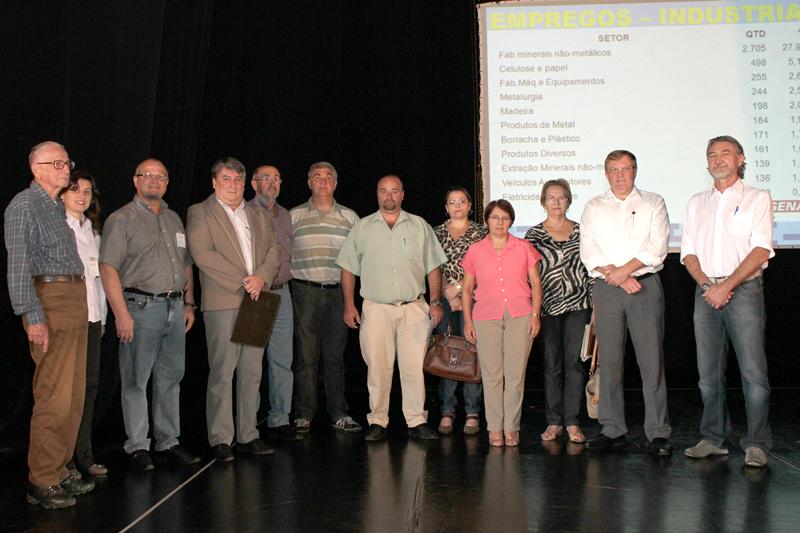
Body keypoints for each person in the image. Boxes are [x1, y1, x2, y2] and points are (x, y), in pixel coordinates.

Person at [5, 141, 94, 509]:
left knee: (73, 394)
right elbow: (19, 268)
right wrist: (32, 316)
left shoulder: (56, 207)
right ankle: (41, 479)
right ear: (35, 167)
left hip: (73, 298)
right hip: (50, 301)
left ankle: (59, 469)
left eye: (67, 162)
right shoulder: (24, 205)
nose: (65, 169)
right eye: (56, 163)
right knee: (53, 395)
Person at [100, 158, 200, 471]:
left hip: (174, 306)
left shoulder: (173, 219)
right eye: (148, 175)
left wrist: (189, 303)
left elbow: (186, 264)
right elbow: (108, 267)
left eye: (161, 176)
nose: (154, 181)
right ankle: (138, 446)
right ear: (135, 180)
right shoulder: (122, 219)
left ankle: (168, 442)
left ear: (168, 183)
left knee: (171, 378)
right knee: (135, 380)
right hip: (140, 309)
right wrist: (121, 313)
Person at [681, 135, 774, 467]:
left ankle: (757, 443)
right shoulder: (696, 202)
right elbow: (688, 252)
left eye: (725, 153)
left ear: (740, 159)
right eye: (712, 155)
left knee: (753, 373)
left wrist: (727, 285)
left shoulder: (757, 198)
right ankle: (713, 437)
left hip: (744, 290)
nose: (718, 159)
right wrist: (709, 285)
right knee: (707, 375)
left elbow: (761, 249)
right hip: (705, 290)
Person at [337, 174, 447, 441]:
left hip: (413, 308)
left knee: (413, 368)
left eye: (394, 191)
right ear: (377, 194)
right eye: (383, 191)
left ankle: (417, 420)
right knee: (378, 367)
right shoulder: (362, 228)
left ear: (402, 194)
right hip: (376, 309)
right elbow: (348, 268)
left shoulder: (419, 226)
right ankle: (377, 420)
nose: (389, 196)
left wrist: (435, 302)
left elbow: (434, 266)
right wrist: (349, 304)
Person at [579, 150, 673, 456]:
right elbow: (588, 249)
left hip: (644, 287)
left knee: (652, 363)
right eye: (614, 170)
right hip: (607, 289)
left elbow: (657, 248)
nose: (620, 174)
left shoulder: (653, 202)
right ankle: (612, 429)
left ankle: (657, 432)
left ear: (635, 170)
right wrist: (615, 275)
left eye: (626, 169)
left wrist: (624, 272)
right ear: (606, 174)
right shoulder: (594, 206)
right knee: (610, 362)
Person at [187, 157, 281, 461]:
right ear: (214, 182)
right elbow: (203, 255)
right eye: (226, 179)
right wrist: (245, 282)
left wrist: (261, 279)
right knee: (223, 372)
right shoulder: (200, 212)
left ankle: (248, 434)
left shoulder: (257, 213)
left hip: (258, 298)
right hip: (225, 300)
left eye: (238, 180)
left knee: (252, 372)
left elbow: (274, 251)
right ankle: (221, 438)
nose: (233, 185)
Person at [462, 199, 543, 447]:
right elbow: (466, 289)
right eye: (495, 217)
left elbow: (536, 284)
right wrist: (467, 321)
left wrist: (535, 315)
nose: (500, 222)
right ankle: (494, 427)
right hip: (486, 315)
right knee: (492, 374)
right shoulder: (475, 250)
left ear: (511, 221)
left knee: (515, 374)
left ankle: (511, 427)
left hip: (520, 314)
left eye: (505, 218)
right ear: (487, 220)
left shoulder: (524, 247)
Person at [290, 162, 361, 434]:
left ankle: (339, 412)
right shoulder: (294, 216)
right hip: (304, 292)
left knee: (334, 357)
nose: (322, 181)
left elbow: (356, 262)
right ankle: (303, 414)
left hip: (337, 294)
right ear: (309, 182)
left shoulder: (349, 217)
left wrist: (350, 301)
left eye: (328, 177)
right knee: (306, 357)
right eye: (317, 177)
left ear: (335, 183)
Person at [525, 180, 592, 444]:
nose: (556, 202)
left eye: (561, 197)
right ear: (543, 202)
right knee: (552, 365)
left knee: (575, 364)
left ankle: (573, 421)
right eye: (551, 198)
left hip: (578, 305)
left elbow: (591, 268)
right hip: (547, 307)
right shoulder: (533, 235)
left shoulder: (582, 232)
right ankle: (554, 422)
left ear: (569, 201)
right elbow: (528, 276)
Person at [60, 171, 109, 476]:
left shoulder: (95, 234)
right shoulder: (58, 229)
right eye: (75, 189)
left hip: (93, 321)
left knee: (89, 387)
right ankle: (62, 461)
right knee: (65, 392)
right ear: (63, 193)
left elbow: (100, 281)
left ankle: (84, 454)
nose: (82, 196)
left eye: (88, 192)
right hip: (68, 322)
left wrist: (102, 317)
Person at [249, 165, 302, 441]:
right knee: (252, 361)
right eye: (265, 178)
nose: (271, 183)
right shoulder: (243, 213)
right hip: (256, 293)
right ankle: (249, 423)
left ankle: (280, 419)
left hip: (283, 292)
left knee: (283, 359)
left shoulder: (285, 216)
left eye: (276, 178)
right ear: (253, 183)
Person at [432, 187, 486, 435]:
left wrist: (458, 290)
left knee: (471, 351)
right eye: (452, 202)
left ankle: (472, 411)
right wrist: (447, 293)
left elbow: (484, 269)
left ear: (470, 205)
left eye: (462, 201)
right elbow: (432, 267)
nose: (457, 206)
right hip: (444, 301)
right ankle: (447, 410)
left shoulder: (481, 233)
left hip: (474, 299)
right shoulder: (436, 233)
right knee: (446, 353)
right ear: (446, 207)